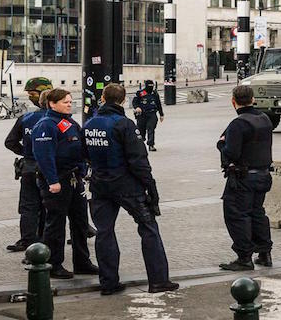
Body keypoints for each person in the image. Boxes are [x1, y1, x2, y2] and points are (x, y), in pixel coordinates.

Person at [83, 83, 179, 295]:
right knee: (148, 229)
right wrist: (150, 186)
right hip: (127, 186)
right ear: (123, 100)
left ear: (102, 98)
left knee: (104, 232)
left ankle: (109, 282)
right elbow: (138, 160)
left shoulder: (89, 124)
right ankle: (158, 280)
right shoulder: (124, 124)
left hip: (100, 185)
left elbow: (85, 154)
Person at [32, 88, 99, 279]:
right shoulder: (46, 125)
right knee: (56, 224)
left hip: (73, 178)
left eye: (70, 102)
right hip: (57, 180)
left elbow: (78, 149)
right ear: (52, 104)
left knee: (80, 223)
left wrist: (83, 171)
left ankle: (82, 262)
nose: (69, 104)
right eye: (65, 102)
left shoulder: (69, 122)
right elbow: (44, 156)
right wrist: (52, 181)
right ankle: (53, 264)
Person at [217, 85, 274, 271]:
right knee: (257, 213)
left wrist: (221, 145)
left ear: (233, 101)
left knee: (236, 215)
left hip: (243, 178)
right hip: (263, 175)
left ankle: (244, 257)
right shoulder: (264, 119)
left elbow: (232, 152)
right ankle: (265, 253)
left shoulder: (238, 124)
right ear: (253, 99)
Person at [3, 77, 53, 252]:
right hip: (49, 171)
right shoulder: (58, 120)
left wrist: (26, 153)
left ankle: (27, 240)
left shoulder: (27, 118)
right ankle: (43, 241)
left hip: (30, 168)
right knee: (45, 207)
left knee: (29, 207)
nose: (31, 97)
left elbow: (10, 142)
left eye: (32, 94)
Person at [133, 80, 164, 151]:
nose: (151, 87)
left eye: (152, 86)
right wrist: (137, 107)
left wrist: (161, 114)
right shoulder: (140, 93)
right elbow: (134, 102)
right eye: (149, 86)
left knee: (151, 129)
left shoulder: (154, 93)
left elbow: (159, 104)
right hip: (142, 115)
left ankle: (151, 145)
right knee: (141, 131)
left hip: (152, 114)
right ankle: (140, 144)